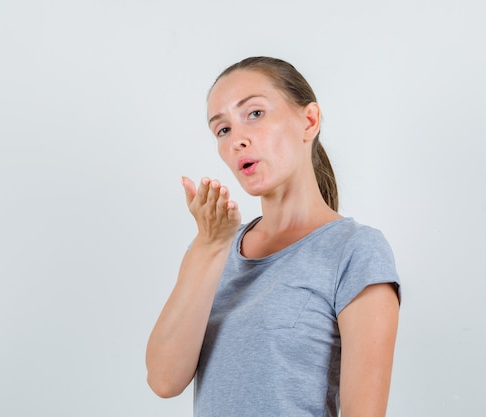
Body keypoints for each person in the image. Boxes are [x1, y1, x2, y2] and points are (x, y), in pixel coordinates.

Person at [146, 56, 401, 417]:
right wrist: (210, 245)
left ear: (308, 121)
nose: (237, 140)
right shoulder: (211, 247)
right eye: (222, 130)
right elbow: (163, 380)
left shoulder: (355, 251)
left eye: (254, 114)